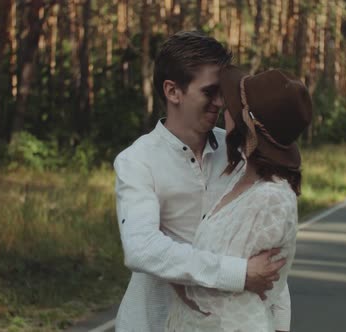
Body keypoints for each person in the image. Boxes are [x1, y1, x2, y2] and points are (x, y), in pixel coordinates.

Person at [113, 31, 288, 332]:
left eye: (222, 91)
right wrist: (240, 273)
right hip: (155, 323)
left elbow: (269, 257)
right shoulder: (137, 161)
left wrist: (280, 324)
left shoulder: (240, 156)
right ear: (173, 91)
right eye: (209, 92)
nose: (220, 102)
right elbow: (141, 247)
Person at [165, 66, 312, 331]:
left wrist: (166, 258)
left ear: (248, 124)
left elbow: (222, 298)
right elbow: (224, 274)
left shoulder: (272, 199)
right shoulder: (238, 178)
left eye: (232, 103)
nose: (222, 104)